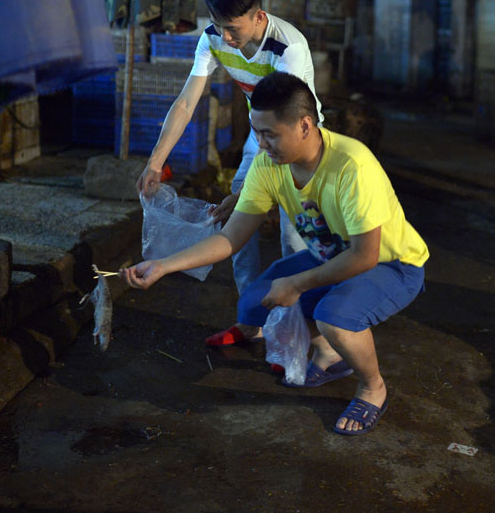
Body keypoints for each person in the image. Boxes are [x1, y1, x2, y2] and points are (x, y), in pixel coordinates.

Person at [122, 72, 429, 435]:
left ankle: (373, 387)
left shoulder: (352, 165)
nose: (261, 144)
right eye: (257, 132)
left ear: (304, 125)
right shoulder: (268, 166)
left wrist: (297, 284)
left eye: (270, 134)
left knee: (334, 316)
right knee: (254, 304)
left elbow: (364, 256)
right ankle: (331, 355)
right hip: (329, 257)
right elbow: (231, 238)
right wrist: (163, 265)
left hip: (392, 264)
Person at [136, 0, 324, 348]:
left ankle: (297, 332)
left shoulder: (289, 48)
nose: (225, 37)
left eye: (233, 28)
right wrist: (156, 161)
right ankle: (251, 321)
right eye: (218, 25)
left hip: (298, 142)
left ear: (258, 16)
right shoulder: (213, 38)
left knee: (294, 236)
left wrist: (246, 194)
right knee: (236, 230)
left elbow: (287, 129)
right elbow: (187, 101)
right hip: (262, 136)